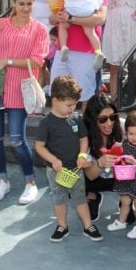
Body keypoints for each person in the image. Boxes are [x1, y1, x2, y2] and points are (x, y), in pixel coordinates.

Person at [0, 0, 49, 203]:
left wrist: (6, 61)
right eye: (21, 4)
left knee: (17, 139)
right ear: (13, 3)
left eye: (29, 4)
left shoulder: (39, 29)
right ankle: (2, 181)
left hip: (20, 91)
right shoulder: (0, 25)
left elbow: (37, 61)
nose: (26, 8)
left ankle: (30, 182)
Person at [34, 75, 103, 243]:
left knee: (80, 198)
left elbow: (83, 139)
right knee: (59, 200)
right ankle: (62, 226)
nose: (72, 108)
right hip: (56, 171)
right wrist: (53, 160)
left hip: (75, 169)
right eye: (69, 104)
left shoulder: (76, 118)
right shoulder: (46, 123)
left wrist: (82, 155)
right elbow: (39, 146)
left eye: (74, 104)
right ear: (55, 100)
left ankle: (88, 225)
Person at [83, 93, 136, 223]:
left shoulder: (125, 126)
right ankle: (93, 196)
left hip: (123, 177)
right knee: (73, 177)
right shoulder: (85, 137)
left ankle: (126, 201)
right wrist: (100, 163)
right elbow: (89, 176)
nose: (109, 123)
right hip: (96, 180)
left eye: (112, 117)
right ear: (93, 119)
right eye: (102, 119)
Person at [49, 0, 108, 111]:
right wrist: (58, 16)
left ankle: (83, 128)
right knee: (57, 92)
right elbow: (51, 18)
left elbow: (100, 19)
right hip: (62, 52)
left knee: (84, 95)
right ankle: (60, 128)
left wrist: (71, 19)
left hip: (85, 53)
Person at [107, 110, 136, 240]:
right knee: (125, 202)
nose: (134, 137)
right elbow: (120, 156)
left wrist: (135, 162)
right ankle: (121, 222)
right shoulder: (126, 143)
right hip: (125, 178)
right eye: (130, 133)